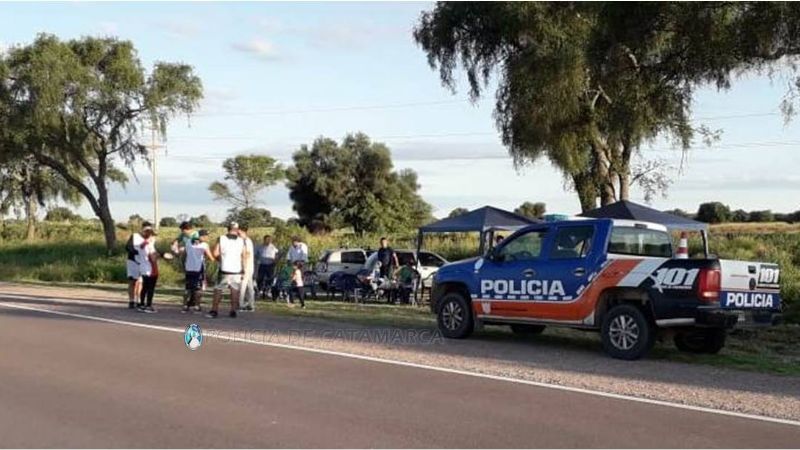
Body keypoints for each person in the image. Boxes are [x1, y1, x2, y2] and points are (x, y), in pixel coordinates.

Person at [207, 222, 247, 319]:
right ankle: (233, 311)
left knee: (218, 289)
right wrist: (244, 269)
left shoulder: (221, 238)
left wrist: (221, 260)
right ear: (237, 230)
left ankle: (214, 310)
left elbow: (215, 253)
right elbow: (244, 255)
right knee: (234, 290)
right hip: (237, 269)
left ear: (228, 229)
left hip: (224, 268)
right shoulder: (241, 241)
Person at [182, 229, 214, 313]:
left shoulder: (188, 242)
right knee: (198, 288)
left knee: (188, 288)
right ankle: (197, 306)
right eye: (206, 236)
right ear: (201, 236)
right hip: (198, 268)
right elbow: (211, 257)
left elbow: (184, 254)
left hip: (189, 268)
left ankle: (185, 306)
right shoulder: (204, 245)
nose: (207, 238)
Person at [137, 223, 159, 313]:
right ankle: (148, 305)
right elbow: (153, 258)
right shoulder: (150, 245)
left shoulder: (141, 244)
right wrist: (160, 255)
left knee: (145, 287)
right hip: (151, 268)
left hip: (143, 268)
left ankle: (141, 304)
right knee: (150, 288)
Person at [124, 225, 145, 309]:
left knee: (140, 282)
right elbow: (128, 247)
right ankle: (131, 301)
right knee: (132, 281)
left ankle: (139, 300)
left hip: (143, 262)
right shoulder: (135, 236)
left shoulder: (150, 239)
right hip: (132, 261)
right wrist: (137, 252)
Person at [238, 225, 256, 312]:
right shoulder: (246, 241)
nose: (238, 234)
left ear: (243, 232)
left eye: (239, 232)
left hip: (246, 266)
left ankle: (241, 304)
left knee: (242, 286)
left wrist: (243, 267)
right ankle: (251, 304)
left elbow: (246, 254)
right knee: (249, 286)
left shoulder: (246, 241)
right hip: (249, 266)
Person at [256, 235, 279, 300]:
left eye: (269, 239)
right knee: (260, 278)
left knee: (270, 278)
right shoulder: (260, 247)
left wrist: (275, 261)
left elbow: (277, 254)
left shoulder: (273, 247)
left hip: (270, 265)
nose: (268, 241)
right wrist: (257, 260)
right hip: (262, 264)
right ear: (264, 240)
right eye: (267, 239)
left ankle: (268, 291)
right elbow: (256, 255)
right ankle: (260, 291)